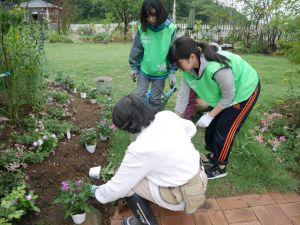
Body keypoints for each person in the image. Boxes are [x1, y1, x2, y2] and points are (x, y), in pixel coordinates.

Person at [92, 94, 207, 225]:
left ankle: (146, 222)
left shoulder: (140, 148)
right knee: (136, 174)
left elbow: (117, 188)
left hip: (183, 197)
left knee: (129, 186)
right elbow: (190, 129)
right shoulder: (166, 116)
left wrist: (96, 193)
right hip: (199, 180)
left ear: (126, 125)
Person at [170, 36, 261, 179]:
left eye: (179, 63)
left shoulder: (216, 68)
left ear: (192, 57)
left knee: (225, 129)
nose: (178, 68)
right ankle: (213, 156)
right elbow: (183, 95)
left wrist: (210, 115)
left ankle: (221, 166)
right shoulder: (188, 71)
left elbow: (229, 97)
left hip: (244, 90)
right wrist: (175, 117)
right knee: (212, 127)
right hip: (226, 93)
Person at [129, 0, 177, 113]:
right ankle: (137, 118)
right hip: (144, 71)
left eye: (153, 15)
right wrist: (133, 67)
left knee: (155, 100)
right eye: (147, 16)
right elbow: (136, 49)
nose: (150, 19)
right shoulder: (143, 29)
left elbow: (173, 52)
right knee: (139, 96)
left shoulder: (170, 29)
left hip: (160, 73)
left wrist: (172, 72)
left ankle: (154, 122)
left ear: (160, 12)